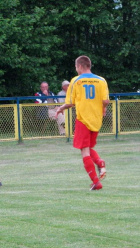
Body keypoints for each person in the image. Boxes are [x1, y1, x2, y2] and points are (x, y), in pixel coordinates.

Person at [56, 55, 109, 191]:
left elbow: (70, 103)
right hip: (96, 120)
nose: (76, 69)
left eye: (76, 67)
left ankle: (96, 182)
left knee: (84, 151)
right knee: (89, 147)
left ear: (80, 66)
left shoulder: (76, 81)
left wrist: (61, 108)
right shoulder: (101, 80)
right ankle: (99, 162)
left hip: (83, 120)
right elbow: (106, 101)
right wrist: (102, 109)